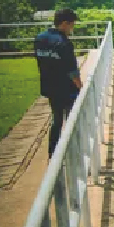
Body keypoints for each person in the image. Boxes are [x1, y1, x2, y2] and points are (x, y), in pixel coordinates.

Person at [35, 9, 82, 158]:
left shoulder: (40, 39)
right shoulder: (64, 43)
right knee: (71, 120)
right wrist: (80, 87)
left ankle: (53, 152)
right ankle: (73, 152)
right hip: (66, 88)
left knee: (56, 120)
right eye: (72, 25)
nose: (72, 29)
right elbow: (72, 71)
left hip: (49, 86)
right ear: (64, 24)